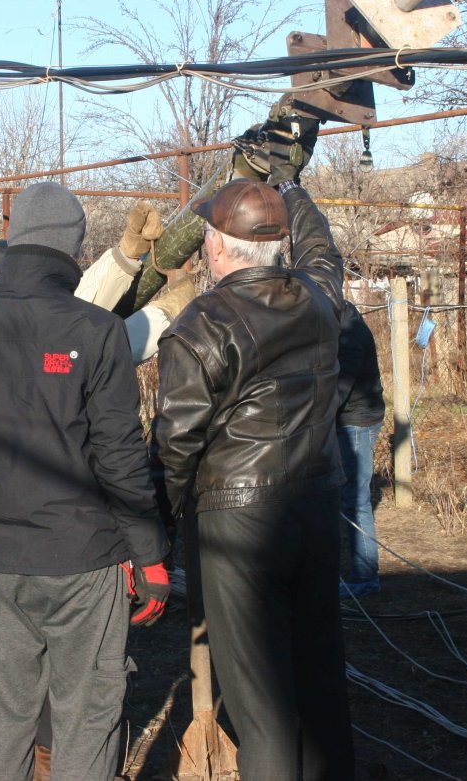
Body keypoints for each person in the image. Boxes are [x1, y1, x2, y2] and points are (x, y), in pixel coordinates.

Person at [0, 182, 171, 781]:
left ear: (15, 241)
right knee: (86, 720)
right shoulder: (96, 331)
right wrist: (151, 557)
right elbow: (120, 455)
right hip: (85, 563)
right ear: (73, 248)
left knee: (3, 722)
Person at [154, 116, 355, 780]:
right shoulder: (318, 301)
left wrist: (160, 526)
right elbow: (324, 253)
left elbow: (176, 444)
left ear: (217, 248)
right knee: (321, 685)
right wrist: (289, 187)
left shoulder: (200, 325)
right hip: (316, 510)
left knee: (261, 708)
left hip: (237, 525)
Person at [336, 301, 385, 598]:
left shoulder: (349, 332)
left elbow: (340, 387)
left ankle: (365, 577)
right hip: (350, 417)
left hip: (356, 421)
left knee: (355, 500)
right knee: (344, 496)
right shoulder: (339, 320)